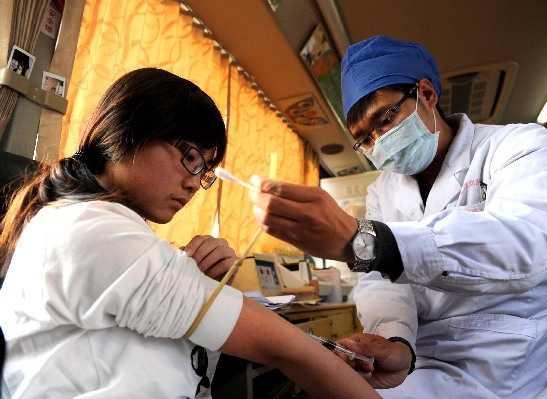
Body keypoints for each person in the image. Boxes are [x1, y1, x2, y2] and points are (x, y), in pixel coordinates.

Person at [0, 68, 381, 399]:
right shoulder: (93, 232)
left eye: (205, 170)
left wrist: (212, 282)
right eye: (190, 156)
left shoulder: (101, 227)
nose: (194, 182)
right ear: (125, 131)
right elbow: (284, 349)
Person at [249, 36, 547, 398]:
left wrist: (365, 242)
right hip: (418, 363)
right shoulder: (383, 191)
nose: (378, 141)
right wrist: (395, 340)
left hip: (508, 368)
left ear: (426, 94)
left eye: (385, 119)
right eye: (364, 139)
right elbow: (381, 282)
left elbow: (528, 241)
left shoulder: (518, 145)